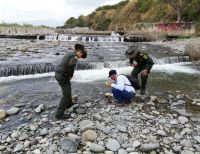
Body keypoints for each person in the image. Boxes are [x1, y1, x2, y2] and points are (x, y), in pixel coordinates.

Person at [54, 44, 87, 120]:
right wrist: (70, 75)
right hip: (63, 76)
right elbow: (71, 66)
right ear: (79, 52)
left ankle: (69, 104)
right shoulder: (74, 57)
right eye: (81, 55)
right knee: (66, 94)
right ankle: (59, 114)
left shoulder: (70, 53)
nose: (80, 57)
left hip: (59, 73)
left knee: (68, 89)